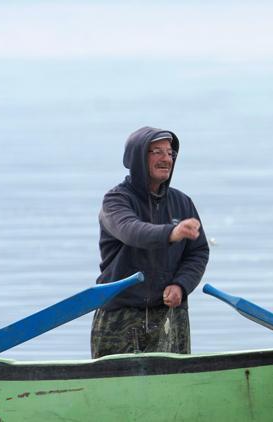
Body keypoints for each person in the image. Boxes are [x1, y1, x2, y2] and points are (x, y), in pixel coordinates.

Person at [91, 126, 209, 358]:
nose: (166, 158)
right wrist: (170, 233)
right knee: (117, 389)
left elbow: (198, 252)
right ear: (137, 157)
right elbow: (131, 231)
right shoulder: (116, 201)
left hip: (169, 316)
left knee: (175, 387)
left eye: (170, 152)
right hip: (120, 315)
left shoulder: (182, 202)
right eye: (157, 151)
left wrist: (182, 285)